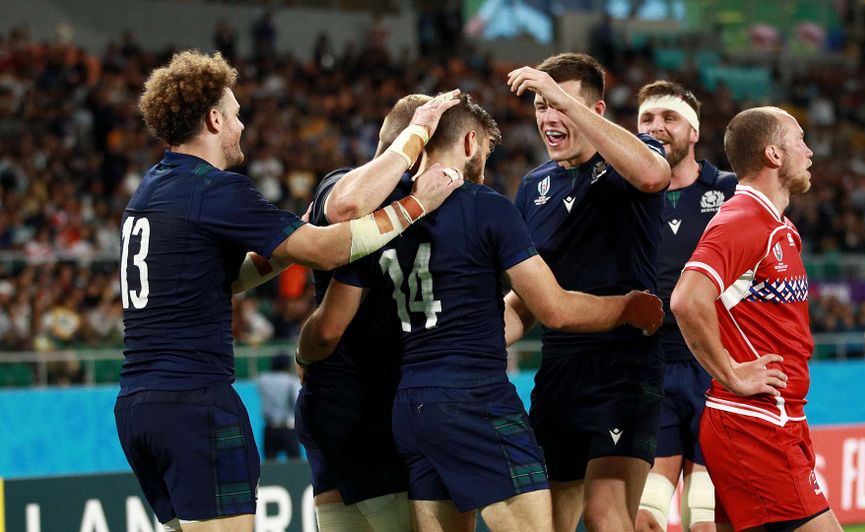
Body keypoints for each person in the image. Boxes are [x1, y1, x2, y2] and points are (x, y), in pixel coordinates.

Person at [113, 50, 460, 532]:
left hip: (138, 409)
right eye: (235, 115)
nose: (242, 126)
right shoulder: (214, 189)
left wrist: (289, 238)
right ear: (213, 119)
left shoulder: (150, 189)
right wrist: (416, 203)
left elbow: (229, 278)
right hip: (195, 402)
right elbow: (328, 251)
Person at [298, 94, 664, 532]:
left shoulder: (384, 218)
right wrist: (625, 307)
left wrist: (306, 356)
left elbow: (333, 321)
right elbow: (556, 309)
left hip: (411, 405)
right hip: (475, 397)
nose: (486, 166)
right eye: (486, 153)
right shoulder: (486, 206)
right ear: (470, 143)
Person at [504, 52, 671, 531]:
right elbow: (526, 301)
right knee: (549, 522)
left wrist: (561, 99)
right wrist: (471, 339)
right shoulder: (533, 188)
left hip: (623, 365)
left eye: (559, 104)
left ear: (595, 111)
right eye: (540, 107)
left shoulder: (633, 155)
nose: (549, 118)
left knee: (604, 513)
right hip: (558, 371)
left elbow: (653, 175)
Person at [671, 106, 842, 531]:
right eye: (799, 139)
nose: (810, 151)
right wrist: (731, 373)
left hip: (776, 418)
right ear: (774, 154)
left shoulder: (775, 225)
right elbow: (687, 299)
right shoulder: (743, 219)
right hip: (756, 425)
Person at [295, 90, 460, 532]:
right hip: (367, 408)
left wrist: (304, 356)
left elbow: (324, 333)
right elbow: (329, 326)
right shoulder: (348, 186)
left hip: (334, 403)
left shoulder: (425, 207)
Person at [634, 81, 736, 532]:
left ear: (693, 132)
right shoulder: (627, 196)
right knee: (646, 516)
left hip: (717, 364)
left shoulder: (731, 191)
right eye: (647, 119)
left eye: (668, 118)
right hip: (651, 366)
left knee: (704, 516)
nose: (657, 127)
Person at [257, 353, 300, 461]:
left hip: (270, 428)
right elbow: (296, 403)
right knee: (297, 469)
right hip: (288, 428)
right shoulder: (291, 380)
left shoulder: (262, 379)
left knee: (271, 469)